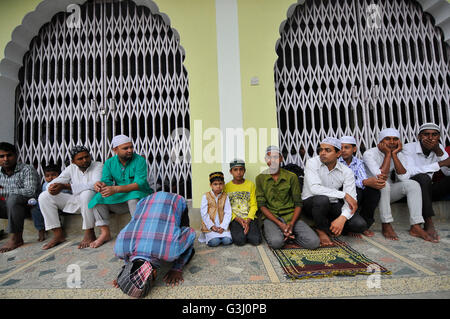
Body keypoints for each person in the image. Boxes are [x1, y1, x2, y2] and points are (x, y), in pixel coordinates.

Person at [113, 192, 196, 298]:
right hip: (146, 200)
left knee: (186, 248)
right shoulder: (119, 249)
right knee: (173, 235)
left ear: (155, 273)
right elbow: (127, 261)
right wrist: (126, 277)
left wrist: (177, 268)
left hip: (174, 200)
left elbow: (190, 232)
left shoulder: (171, 252)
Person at [363, 128, 435, 242]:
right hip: (372, 193)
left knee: (413, 184)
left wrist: (395, 155)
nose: (392, 142)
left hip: (388, 192)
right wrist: (387, 155)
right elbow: (380, 177)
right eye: (387, 139)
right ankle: (386, 224)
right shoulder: (369, 154)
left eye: (395, 139)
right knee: (384, 184)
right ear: (380, 141)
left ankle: (416, 225)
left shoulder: (399, 154)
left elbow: (403, 177)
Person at [88, 135, 153, 248]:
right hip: (121, 198)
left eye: (131, 147)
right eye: (125, 148)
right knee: (98, 198)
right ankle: (105, 233)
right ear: (115, 150)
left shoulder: (139, 160)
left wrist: (116, 189)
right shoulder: (109, 163)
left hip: (139, 195)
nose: (130, 150)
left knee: (133, 198)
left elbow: (140, 184)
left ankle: (138, 233)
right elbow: (106, 181)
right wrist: (101, 185)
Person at [302, 138, 366, 246]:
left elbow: (352, 200)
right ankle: (321, 230)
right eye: (321, 150)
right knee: (322, 199)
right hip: (311, 203)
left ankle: (328, 224)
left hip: (332, 204)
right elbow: (315, 189)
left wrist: (342, 218)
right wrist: (344, 195)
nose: (322, 153)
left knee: (359, 225)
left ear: (338, 153)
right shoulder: (312, 163)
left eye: (327, 150)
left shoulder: (346, 171)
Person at [38, 146, 103, 249]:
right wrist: (53, 187)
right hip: (77, 201)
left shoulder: (98, 166)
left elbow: (95, 185)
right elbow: (59, 180)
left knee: (87, 193)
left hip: (93, 203)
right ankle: (58, 234)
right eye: (80, 159)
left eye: (87, 157)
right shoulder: (71, 168)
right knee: (44, 196)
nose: (85, 160)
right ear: (73, 161)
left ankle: (89, 232)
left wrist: (65, 186)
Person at [255, 146, 320, 250]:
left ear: (281, 159)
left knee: (314, 243)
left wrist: (291, 223)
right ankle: (281, 233)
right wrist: (280, 224)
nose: (273, 160)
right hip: (271, 217)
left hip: (291, 216)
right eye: (270, 157)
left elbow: (298, 203)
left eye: (276, 157)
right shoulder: (260, 178)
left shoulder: (291, 176)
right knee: (276, 243)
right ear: (266, 160)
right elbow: (262, 205)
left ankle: (289, 235)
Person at [404, 123, 450, 242]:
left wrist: (439, 153)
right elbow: (409, 172)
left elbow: (447, 173)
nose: (430, 138)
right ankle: (428, 222)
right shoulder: (408, 148)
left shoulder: (438, 148)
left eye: (434, 135)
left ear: (439, 136)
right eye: (426, 134)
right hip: (411, 190)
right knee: (423, 178)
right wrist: (439, 164)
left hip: (429, 191)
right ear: (419, 136)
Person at [339, 136, 383, 237]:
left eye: (347, 147)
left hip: (357, 193)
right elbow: (341, 182)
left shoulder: (358, 163)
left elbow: (364, 180)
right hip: (342, 193)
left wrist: (364, 182)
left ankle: (365, 225)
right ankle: (350, 226)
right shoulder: (336, 162)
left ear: (354, 149)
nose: (343, 150)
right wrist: (363, 182)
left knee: (373, 192)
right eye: (341, 148)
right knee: (356, 190)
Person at [0, 142, 40, 253]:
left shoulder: (27, 169)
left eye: (9, 155)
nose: (5, 159)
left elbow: (30, 191)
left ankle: (16, 238)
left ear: (16, 156)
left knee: (13, 198)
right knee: (11, 199)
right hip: (9, 208)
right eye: (2, 156)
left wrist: (4, 192)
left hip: (29, 206)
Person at [224, 159, 261, 246]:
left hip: (249, 217)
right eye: (235, 170)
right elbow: (226, 207)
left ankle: (249, 231)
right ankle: (243, 233)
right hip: (235, 218)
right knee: (240, 241)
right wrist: (238, 219)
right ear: (231, 171)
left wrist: (248, 221)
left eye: (241, 169)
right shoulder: (227, 187)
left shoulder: (250, 185)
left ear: (244, 171)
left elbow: (254, 204)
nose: (239, 172)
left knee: (256, 240)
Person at [28, 163, 67, 242]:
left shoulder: (63, 183)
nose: (50, 178)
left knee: (53, 209)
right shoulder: (45, 185)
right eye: (47, 176)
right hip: (48, 205)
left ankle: (58, 228)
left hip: (61, 205)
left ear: (60, 175)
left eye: (53, 175)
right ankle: (41, 229)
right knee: (35, 209)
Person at [199, 172, 233, 247]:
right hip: (211, 226)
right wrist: (211, 226)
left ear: (223, 184)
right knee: (215, 242)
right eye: (215, 184)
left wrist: (223, 226)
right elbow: (204, 213)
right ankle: (214, 237)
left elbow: (228, 212)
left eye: (220, 184)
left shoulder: (225, 196)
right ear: (211, 185)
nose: (218, 186)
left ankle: (222, 235)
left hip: (222, 225)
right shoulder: (206, 196)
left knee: (227, 241)